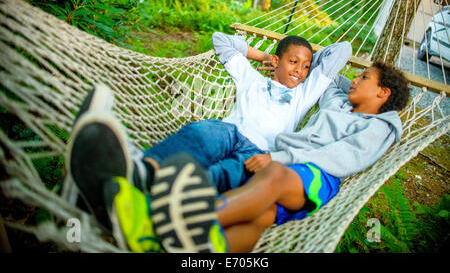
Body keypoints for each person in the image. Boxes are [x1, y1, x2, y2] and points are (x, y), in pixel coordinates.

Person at [66, 61, 410, 253]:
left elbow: (343, 156)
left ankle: (176, 221)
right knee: (259, 218)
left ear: (383, 93)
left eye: (364, 77)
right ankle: (192, 245)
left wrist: (281, 157)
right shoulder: (338, 102)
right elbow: (333, 71)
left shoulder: (380, 127)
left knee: (271, 177)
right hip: (285, 166)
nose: (355, 79)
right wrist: (289, 59)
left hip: (317, 174)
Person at [136, 32, 352, 194]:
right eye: (293, 62)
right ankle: (148, 167)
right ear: (277, 61)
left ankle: (176, 189)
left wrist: (310, 62)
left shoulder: (305, 93)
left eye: (306, 67)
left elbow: (343, 50)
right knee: (200, 134)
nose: (299, 70)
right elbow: (221, 39)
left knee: (231, 173)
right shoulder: (251, 77)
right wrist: (265, 57)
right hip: (228, 131)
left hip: (259, 151)